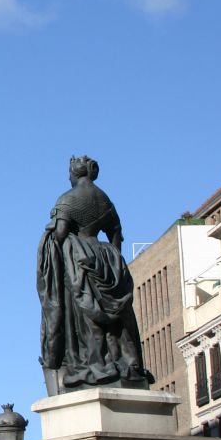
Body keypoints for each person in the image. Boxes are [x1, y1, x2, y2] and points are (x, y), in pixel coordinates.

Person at [37, 156, 152, 392]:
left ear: (74, 174)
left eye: (69, 174)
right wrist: (114, 262)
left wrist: (52, 244)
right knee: (117, 323)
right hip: (106, 259)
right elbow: (116, 233)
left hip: (80, 259)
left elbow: (59, 234)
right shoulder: (105, 199)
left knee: (85, 318)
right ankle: (123, 363)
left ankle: (94, 365)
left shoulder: (67, 199)